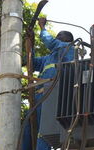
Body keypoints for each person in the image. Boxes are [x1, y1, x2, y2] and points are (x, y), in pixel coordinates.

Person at [22, 18, 75, 150]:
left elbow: (50, 42)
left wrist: (42, 27)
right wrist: (30, 44)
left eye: (59, 36)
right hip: (39, 98)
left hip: (53, 95)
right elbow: (31, 62)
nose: (57, 38)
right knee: (27, 128)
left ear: (67, 40)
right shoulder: (49, 58)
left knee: (44, 132)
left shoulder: (69, 49)